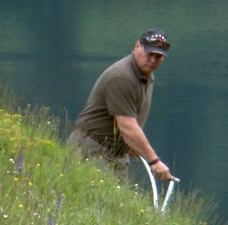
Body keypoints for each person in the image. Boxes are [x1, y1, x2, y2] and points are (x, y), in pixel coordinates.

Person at [67, 28, 172, 181]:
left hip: (117, 155)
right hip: (91, 149)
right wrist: (154, 161)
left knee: (118, 204)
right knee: (94, 202)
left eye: (159, 57)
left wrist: (133, 146)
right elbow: (127, 126)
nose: (153, 60)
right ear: (137, 46)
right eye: (150, 54)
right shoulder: (122, 77)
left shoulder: (146, 75)